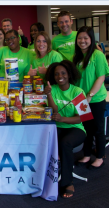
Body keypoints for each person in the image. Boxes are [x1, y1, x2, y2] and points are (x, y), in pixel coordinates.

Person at [44, 60, 86, 198]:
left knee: (65, 143)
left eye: (63, 73)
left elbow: (82, 117)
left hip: (75, 128)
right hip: (58, 127)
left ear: (69, 74)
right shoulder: (53, 89)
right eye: (56, 74)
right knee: (44, 139)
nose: (59, 76)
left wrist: (63, 119)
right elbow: (54, 111)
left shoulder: (77, 91)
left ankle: (68, 182)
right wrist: (49, 94)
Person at [73, 26, 109, 169]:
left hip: (95, 99)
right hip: (81, 99)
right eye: (80, 38)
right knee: (86, 128)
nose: (82, 41)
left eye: (85, 38)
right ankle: (87, 154)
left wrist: (89, 96)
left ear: (91, 39)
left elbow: (101, 78)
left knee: (97, 128)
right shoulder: (76, 57)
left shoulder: (97, 55)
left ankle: (100, 156)